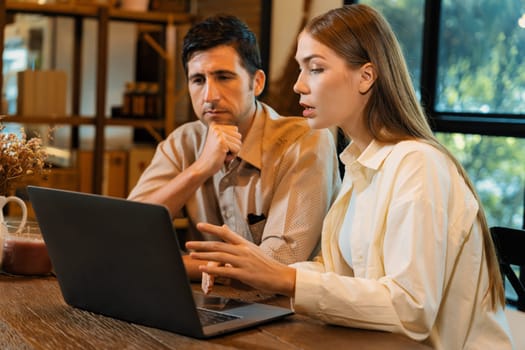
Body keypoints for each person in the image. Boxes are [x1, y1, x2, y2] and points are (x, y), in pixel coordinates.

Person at [185, 5, 514, 349]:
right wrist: (252, 274)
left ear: (366, 76)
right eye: (301, 69)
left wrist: (285, 277)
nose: (298, 85)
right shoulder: (359, 166)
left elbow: (411, 308)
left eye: (315, 68)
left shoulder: (419, 165)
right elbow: (341, 277)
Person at [128, 15, 340, 280]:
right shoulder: (182, 142)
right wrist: (200, 169)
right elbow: (128, 232)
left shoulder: (306, 141)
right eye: (198, 80)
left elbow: (278, 262)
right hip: (211, 302)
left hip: (288, 310)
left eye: (224, 77)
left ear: (257, 83)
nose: (209, 96)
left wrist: (164, 266)